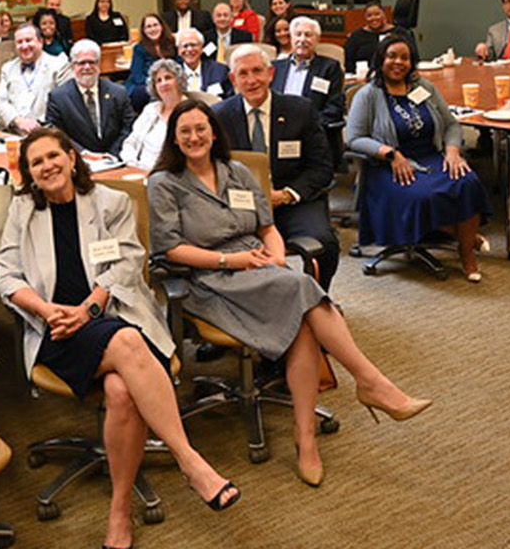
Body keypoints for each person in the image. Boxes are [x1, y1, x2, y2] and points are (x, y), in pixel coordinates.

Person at [149, 99, 431, 486]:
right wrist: (236, 262)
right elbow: (170, 249)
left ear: (214, 133)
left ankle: (306, 438)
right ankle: (370, 383)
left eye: (201, 129)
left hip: (260, 267)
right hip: (208, 278)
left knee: (301, 317)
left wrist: (276, 257)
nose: (195, 137)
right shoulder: (165, 184)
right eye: (185, 132)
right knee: (302, 290)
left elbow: (267, 227)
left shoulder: (239, 172)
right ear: (175, 139)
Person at [0, 129, 240, 547]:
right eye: (36, 162)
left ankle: (119, 513)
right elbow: (6, 275)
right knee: (127, 346)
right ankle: (190, 460)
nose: (47, 166)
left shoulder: (110, 202)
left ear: (72, 158)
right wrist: (45, 309)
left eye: (53, 156)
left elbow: (126, 264)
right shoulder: (23, 211)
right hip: (57, 330)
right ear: (29, 174)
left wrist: (88, 309)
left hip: (111, 314)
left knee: (121, 390)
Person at [345, 33, 493, 281]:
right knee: (422, 195)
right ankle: (464, 236)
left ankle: (467, 253)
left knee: (468, 183)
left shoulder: (424, 88)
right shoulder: (368, 94)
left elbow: (451, 125)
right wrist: (390, 153)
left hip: (432, 156)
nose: (398, 62)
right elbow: (354, 138)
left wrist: (453, 151)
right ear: (381, 59)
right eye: (392, 56)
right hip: (388, 166)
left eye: (405, 57)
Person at [217, 45, 340, 285]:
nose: (251, 80)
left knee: (325, 244)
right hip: (239, 205)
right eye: (243, 73)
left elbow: (322, 167)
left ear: (271, 74)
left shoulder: (300, 110)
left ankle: (316, 300)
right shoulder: (220, 116)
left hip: (291, 200)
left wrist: (286, 195)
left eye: (257, 71)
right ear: (233, 79)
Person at [47, 40, 135, 157]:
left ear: (99, 64)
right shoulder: (58, 97)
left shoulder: (118, 92)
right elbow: (56, 133)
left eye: (91, 62)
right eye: (81, 63)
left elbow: (128, 127)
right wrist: (84, 154)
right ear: (73, 66)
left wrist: (111, 154)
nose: (87, 67)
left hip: (116, 158)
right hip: (79, 161)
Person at [0, 23, 70, 135]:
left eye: (28, 40)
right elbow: (0, 101)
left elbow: (66, 104)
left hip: (48, 133)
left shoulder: (58, 66)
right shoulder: (8, 68)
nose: (24, 46)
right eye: (19, 42)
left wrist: (40, 125)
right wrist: (18, 121)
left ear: (40, 42)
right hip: (12, 133)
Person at [273, 16, 346, 129]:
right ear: (291, 38)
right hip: (278, 128)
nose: (302, 40)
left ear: (317, 40)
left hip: (313, 130)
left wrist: (305, 125)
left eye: (308, 35)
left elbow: (334, 107)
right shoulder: (276, 67)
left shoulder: (329, 67)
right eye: (298, 34)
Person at [120, 58, 184, 171]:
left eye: (168, 78)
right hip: (139, 171)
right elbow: (131, 142)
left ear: (179, 81)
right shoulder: (151, 110)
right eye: (158, 80)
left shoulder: (190, 111)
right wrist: (133, 164)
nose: (163, 83)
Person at [124, 13, 176, 111]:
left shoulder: (172, 44)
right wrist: (156, 84)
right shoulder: (139, 48)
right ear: (144, 31)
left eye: (155, 25)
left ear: (162, 26)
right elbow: (137, 75)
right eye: (148, 26)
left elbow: (180, 66)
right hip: (145, 84)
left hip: (170, 81)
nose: (152, 29)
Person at [343, 0, 410, 75]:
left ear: (384, 14)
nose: (374, 18)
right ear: (365, 18)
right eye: (369, 16)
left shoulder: (400, 33)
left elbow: (412, 56)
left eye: (377, 14)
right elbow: (348, 62)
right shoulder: (356, 36)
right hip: (363, 78)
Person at [175, 28, 233, 99]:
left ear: (202, 48)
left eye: (193, 45)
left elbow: (230, 99)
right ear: (178, 50)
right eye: (185, 46)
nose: (189, 49)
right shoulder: (173, 74)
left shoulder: (219, 70)